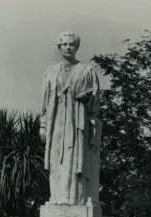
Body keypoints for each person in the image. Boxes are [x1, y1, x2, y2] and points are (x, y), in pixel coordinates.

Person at [40, 30, 101, 206]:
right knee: (56, 156)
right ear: (59, 46)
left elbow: (96, 102)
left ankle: (75, 199)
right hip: (56, 120)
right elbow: (44, 102)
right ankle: (57, 197)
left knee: (75, 158)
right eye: (65, 44)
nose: (68, 47)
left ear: (77, 46)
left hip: (78, 119)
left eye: (71, 44)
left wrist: (87, 98)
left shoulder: (86, 71)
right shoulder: (51, 71)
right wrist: (43, 125)